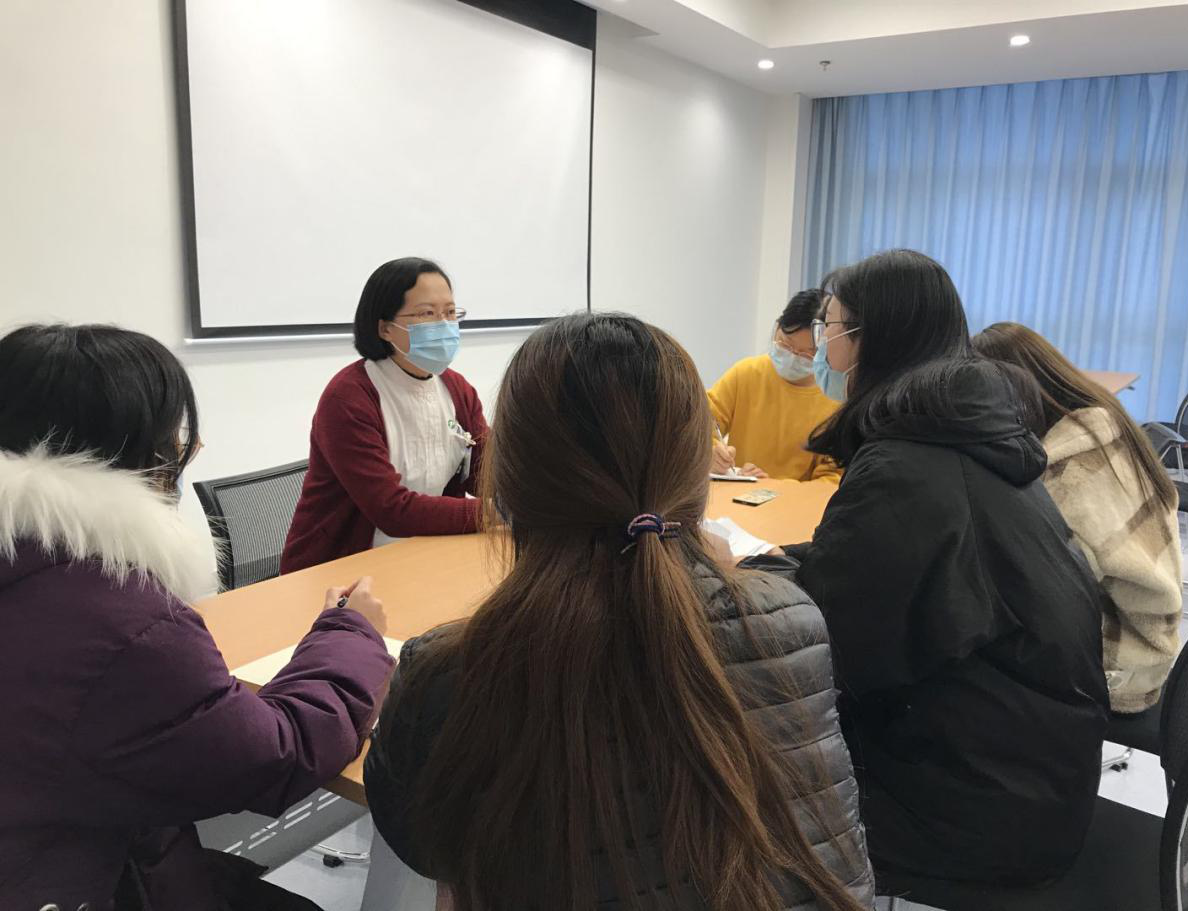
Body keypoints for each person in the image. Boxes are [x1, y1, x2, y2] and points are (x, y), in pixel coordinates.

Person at [363, 313, 875, 910]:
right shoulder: (792, 620)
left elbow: (420, 844)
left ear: (511, 485)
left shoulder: (451, 671)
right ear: (696, 475)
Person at [0, 324, 395, 911]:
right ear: (137, 450)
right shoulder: (122, 622)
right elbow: (276, 755)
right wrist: (350, 631)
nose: (189, 450)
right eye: (176, 437)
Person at [757, 251, 1109, 887]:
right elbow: (874, 568)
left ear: (871, 338)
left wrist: (738, 594)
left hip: (972, 807)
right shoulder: (963, 438)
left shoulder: (908, 466)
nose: (820, 345)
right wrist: (773, 563)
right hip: (1030, 776)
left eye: (828, 325)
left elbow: (830, 651)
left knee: (724, 775)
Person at [974, 321, 1182, 714]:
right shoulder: (1105, 426)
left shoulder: (1067, 473)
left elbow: (1042, 594)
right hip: (1152, 636)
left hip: (1121, 665)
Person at [281, 257, 488, 573]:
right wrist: (491, 513)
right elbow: (391, 510)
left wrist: (529, 496)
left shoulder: (457, 389)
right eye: (427, 314)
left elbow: (487, 473)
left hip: (423, 554)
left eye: (450, 313)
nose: (444, 325)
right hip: (340, 570)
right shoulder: (349, 397)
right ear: (386, 328)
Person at [708, 289, 841, 481]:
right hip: (738, 495)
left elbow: (831, 480)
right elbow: (699, 425)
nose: (793, 357)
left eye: (807, 354)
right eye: (786, 344)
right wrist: (711, 453)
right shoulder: (746, 373)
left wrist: (772, 488)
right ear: (777, 326)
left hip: (795, 500)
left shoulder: (834, 398)